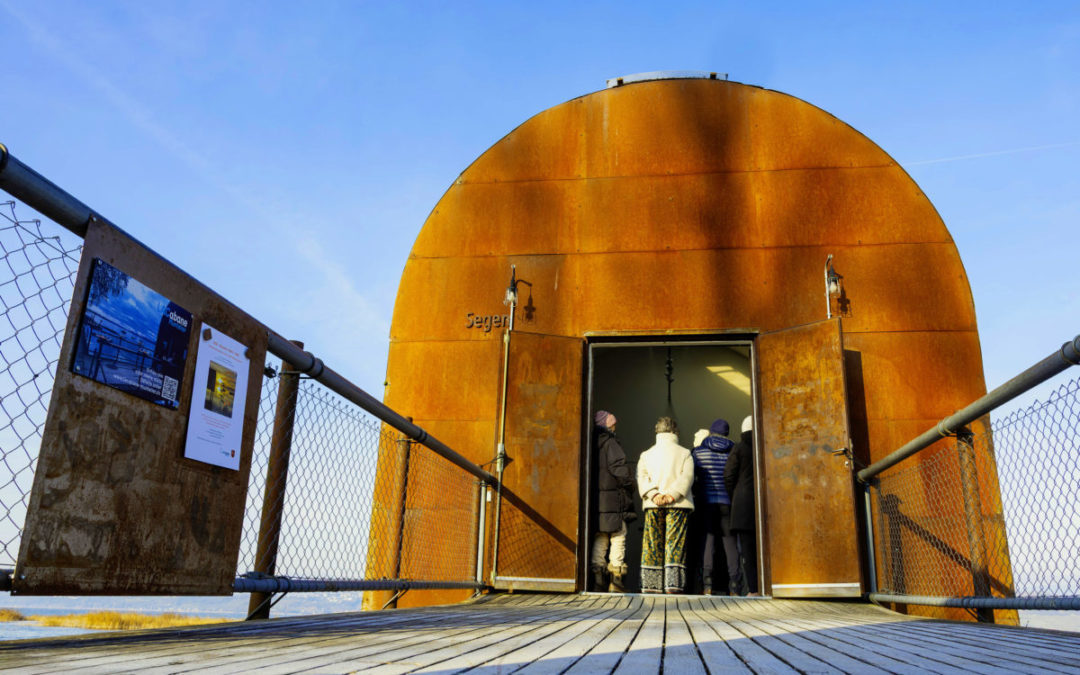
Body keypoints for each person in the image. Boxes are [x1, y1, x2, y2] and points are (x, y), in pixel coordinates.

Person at [637, 416, 695, 594]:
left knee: (652, 543)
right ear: (674, 431)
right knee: (674, 542)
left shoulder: (646, 454)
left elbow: (642, 476)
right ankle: (673, 585)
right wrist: (672, 495)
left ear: (657, 431)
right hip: (677, 504)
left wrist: (654, 494)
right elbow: (687, 476)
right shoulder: (685, 453)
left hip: (653, 504)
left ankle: (651, 586)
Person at [691, 418, 740, 595]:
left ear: (711, 432)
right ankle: (735, 585)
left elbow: (692, 477)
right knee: (730, 543)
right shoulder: (734, 453)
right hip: (727, 503)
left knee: (708, 542)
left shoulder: (698, 452)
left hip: (706, 502)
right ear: (727, 433)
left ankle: (707, 585)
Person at [591, 410, 636, 592]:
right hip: (614, 500)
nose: (615, 427)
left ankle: (597, 576)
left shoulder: (591, 443)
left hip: (598, 499)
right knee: (618, 535)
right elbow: (620, 470)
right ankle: (616, 578)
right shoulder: (610, 443)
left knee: (601, 537)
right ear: (607, 426)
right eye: (613, 424)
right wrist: (631, 483)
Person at [724, 415, 759, 596]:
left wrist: (735, 495)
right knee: (764, 549)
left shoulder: (738, 448)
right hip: (764, 505)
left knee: (747, 550)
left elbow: (728, 475)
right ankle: (766, 586)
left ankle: (753, 589)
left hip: (743, 505)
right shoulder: (764, 446)